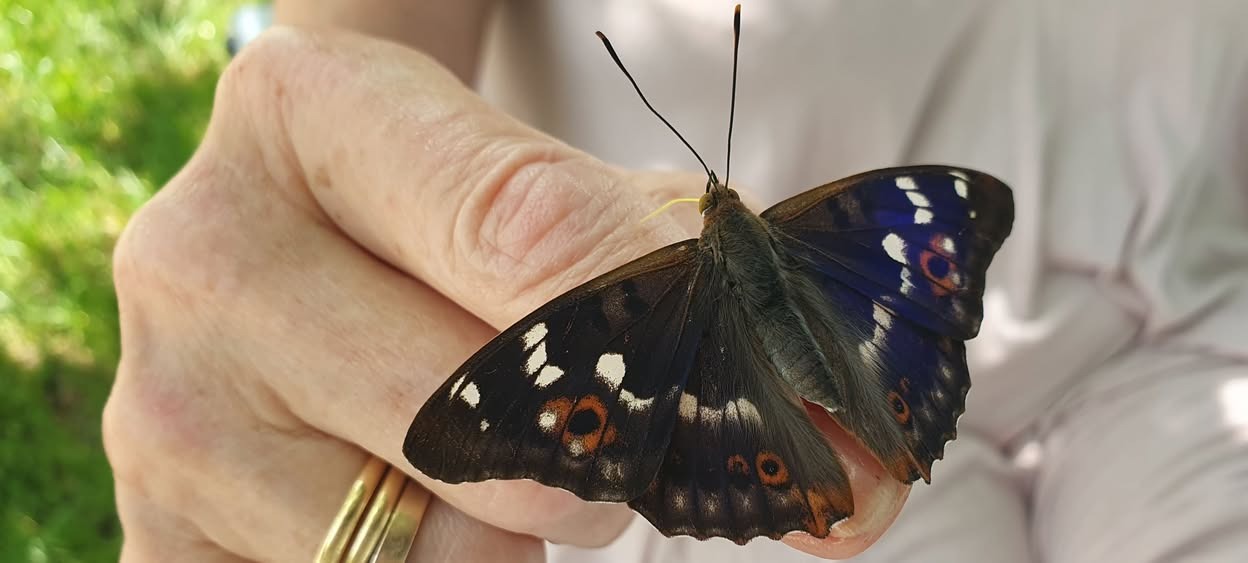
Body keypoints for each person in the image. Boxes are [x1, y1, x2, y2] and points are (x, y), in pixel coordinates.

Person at [104, 1, 1248, 561]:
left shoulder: (688, 278)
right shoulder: (840, 225)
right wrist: (326, 153)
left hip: (1207, 323)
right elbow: (353, 63)